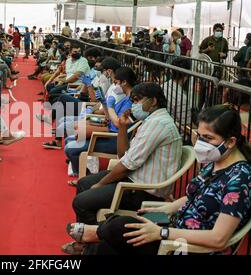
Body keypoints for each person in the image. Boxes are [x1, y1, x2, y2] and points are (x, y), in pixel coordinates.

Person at [66, 104, 251, 255]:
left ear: (231, 142)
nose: (201, 143)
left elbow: (218, 239)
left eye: (208, 138)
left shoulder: (240, 180)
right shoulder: (215, 162)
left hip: (183, 245)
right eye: (199, 136)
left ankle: (94, 233)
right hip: (173, 225)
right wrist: (166, 209)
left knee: (119, 226)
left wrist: (161, 233)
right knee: (108, 245)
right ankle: (96, 237)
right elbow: (195, 196)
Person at [69, 83, 183, 227]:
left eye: (137, 100)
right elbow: (123, 156)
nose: (134, 105)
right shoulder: (149, 120)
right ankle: (85, 230)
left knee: (81, 202)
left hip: (143, 190)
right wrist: (122, 127)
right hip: (132, 179)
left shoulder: (159, 124)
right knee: (83, 183)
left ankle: (92, 240)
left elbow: (127, 165)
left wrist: (100, 184)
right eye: (133, 101)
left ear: (153, 101)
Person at [63, 67, 136, 177]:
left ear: (124, 82)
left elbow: (118, 124)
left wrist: (110, 106)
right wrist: (105, 104)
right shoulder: (125, 98)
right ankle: (79, 168)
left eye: (116, 83)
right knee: (69, 139)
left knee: (70, 148)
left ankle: (83, 174)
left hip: (114, 139)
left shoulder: (130, 102)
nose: (115, 85)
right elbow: (109, 118)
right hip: (108, 133)